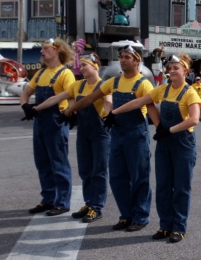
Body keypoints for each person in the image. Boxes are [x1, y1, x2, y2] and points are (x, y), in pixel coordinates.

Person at [65, 43, 157, 232]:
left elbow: (150, 106)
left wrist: (162, 129)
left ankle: (140, 216)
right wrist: (69, 111)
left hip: (136, 135)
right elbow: (91, 98)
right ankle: (126, 215)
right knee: (117, 178)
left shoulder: (143, 83)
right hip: (117, 134)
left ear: (137, 60)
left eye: (127, 57)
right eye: (121, 57)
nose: (122, 60)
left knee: (139, 178)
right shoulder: (114, 82)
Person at [112, 53, 201, 243]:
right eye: (170, 68)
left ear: (185, 70)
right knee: (163, 186)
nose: (172, 71)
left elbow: (194, 119)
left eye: (176, 68)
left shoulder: (190, 92)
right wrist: (114, 113)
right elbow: (140, 101)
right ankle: (165, 226)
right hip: (165, 142)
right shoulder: (163, 89)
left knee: (181, 188)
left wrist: (169, 129)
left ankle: (178, 228)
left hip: (183, 144)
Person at [32, 53, 111, 223]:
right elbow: (56, 98)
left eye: (85, 65)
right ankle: (89, 203)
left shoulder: (103, 85)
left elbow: (108, 102)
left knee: (99, 170)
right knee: (85, 170)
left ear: (95, 66)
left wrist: (110, 114)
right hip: (84, 132)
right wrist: (36, 108)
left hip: (100, 133)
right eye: (80, 65)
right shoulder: (78, 86)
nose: (81, 68)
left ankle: (96, 207)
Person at [19, 38, 76, 216]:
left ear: (57, 50)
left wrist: (70, 112)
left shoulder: (65, 74)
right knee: (42, 163)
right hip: (40, 121)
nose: (42, 52)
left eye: (45, 49)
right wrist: (25, 106)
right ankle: (48, 199)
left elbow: (72, 95)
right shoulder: (41, 73)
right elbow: (26, 91)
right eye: (42, 49)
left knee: (58, 163)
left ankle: (62, 202)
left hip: (55, 122)